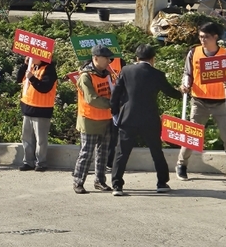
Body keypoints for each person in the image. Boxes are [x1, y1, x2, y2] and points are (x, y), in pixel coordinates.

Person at [111, 44, 182, 196]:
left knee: (122, 152)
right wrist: (182, 92)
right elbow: (170, 92)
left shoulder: (126, 71)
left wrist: (115, 113)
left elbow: (116, 94)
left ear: (137, 58)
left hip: (128, 117)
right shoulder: (157, 74)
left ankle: (117, 185)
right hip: (149, 118)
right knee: (156, 151)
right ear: (153, 59)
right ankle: (161, 182)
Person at [177, 22, 226, 182]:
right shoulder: (194, 53)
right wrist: (185, 84)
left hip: (220, 103)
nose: (202, 40)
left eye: (206, 37)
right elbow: (188, 73)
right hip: (199, 101)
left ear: (215, 37)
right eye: (200, 36)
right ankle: (182, 165)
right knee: (192, 135)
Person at [72, 45, 115, 194]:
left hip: (105, 119)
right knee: (86, 153)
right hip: (89, 120)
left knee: (103, 153)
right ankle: (78, 181)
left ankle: (100, 181)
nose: (109, 61)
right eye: (106, 58)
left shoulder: (107, 73)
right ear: (95, 58)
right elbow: (92, 99)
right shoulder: (86, 76)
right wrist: (113, 104)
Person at [15, 57, 57, 172]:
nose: (31, 58)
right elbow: (19, 79)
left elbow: (44, 88)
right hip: (28, 107)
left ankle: (41, 162)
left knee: (41, 139)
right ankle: (28, 161)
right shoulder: (31, 67)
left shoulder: (49, 69)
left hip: (42, 110)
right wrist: (25, 65)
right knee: (27, 138)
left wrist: (32, 78)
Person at [105, 55, 127, 170]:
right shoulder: (93, 63)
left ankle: (109, 162)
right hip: (102, 105)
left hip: (117, 104)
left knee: (114, 136)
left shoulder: (120, 62)